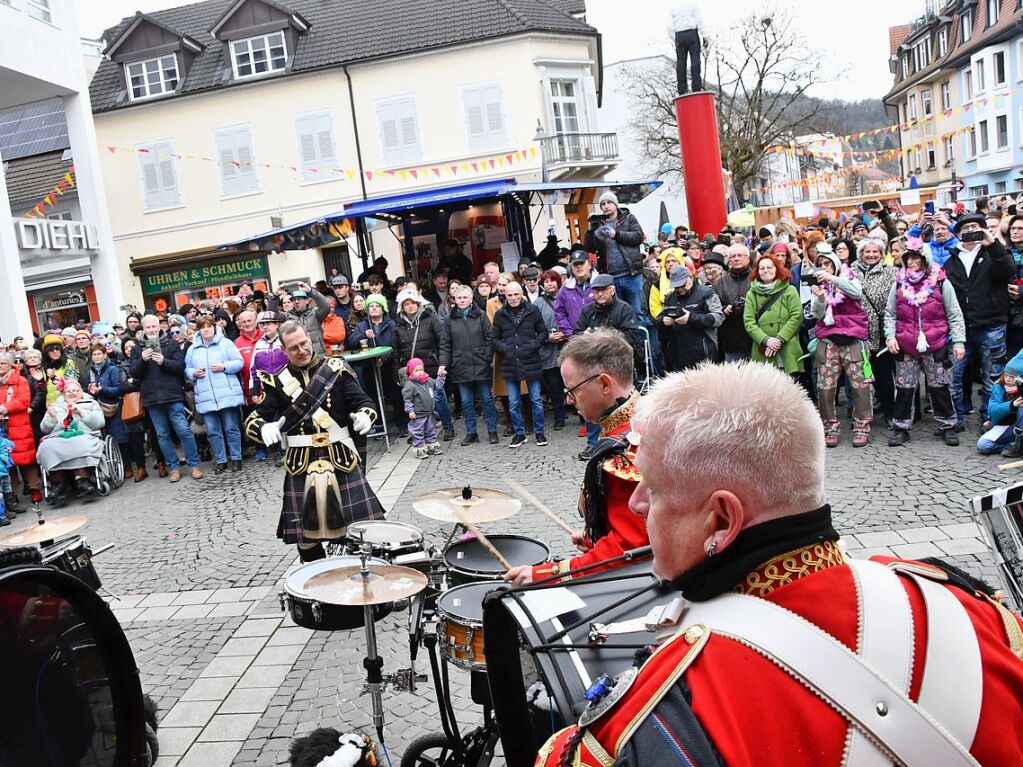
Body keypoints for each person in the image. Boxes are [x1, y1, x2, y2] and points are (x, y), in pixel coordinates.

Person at [536, 362, 1023, 767]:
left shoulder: (665, 710)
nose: (638, 503)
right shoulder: (974, 612)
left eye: (655, 489)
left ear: (722, 520)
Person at [504, 329, 647, 584]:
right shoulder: (641, 418)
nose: (569, 401)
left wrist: (545, 574)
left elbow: (629, 549)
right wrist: (598, 536)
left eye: (573, 390)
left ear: (604, 384)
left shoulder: (628, 451)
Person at [245, 322, 382, 562]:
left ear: (310, 339)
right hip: (302, 464)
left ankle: (362, 579)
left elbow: (366, 403)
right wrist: (262, 427)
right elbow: (253, 420)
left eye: (303, 344)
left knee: (364, 529)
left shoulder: (336, 370)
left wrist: (365, 416)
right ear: (284, 351)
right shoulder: (276, 382)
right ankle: (318, 584)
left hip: (340, 458)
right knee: (305, 538)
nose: (301, 350)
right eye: (294, 348)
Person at [885, 241, 964, 448]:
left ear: (925, 260)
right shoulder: (899, 284)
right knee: (904, 387)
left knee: (940, 386)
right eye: (908, 258)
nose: (911, 262)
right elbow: (890, 314)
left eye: (916, 258)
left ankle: (948, 425)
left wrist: (958, 341)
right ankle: (901, 427)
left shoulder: (940, 283)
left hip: (935, 341)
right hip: (906, 343)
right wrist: (890, 337)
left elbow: (954, 313)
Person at [945, 213, 1014, 429]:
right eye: (965, 228)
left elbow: (1009, 272)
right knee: (953, 375)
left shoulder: (993, 252)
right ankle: (955, 419)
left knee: (992, 377)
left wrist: (992, 244)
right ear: (957, 234)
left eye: (975, 226)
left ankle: (989, 418)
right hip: (960, 328)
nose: (970, 230)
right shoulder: (951, 259)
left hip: (991, 323)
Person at [811, 243, 873, 447]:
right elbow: (818, 315)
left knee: (861, 386)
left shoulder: (848, 277)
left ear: (836, 265)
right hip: (828, 341)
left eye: (827, 263)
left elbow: (856, 293)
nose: (824, 267)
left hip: (853, 340)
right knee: (825, 388)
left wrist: (834, 278)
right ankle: (830, 427)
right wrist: (820, 298)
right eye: (820, 264)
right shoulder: (819, 287)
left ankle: (862, 427)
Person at [130, 314, 203, 482]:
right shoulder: (137, 348)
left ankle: (193, 465)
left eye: (154, 326)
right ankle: (174, 468)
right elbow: (134, 372)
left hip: (172, 395)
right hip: (152, 398)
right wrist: (142, 360)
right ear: (144, 329)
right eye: (148, 327)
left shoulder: (171, 343)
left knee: (183, 430)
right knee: (162, 435)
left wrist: (164, 361)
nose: (151, 330)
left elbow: (180, 367)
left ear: (159, 326)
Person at [185, 316, 245, 474]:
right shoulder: (193, 349)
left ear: (214, 327)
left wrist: (224, 366)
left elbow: (239, 362)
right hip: (206, 396)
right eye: (202, 327)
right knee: (213, 431)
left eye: (208, 326)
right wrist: (193, 373)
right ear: (199, 330)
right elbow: (187, 369)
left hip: (227, 393)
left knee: (231, 428)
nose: (206, 329)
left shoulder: (225, 343)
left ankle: (236, 458)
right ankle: (221, 460)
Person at [440, 285, 499, 446]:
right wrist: (444, 363)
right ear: (455, 299)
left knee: (487, 399)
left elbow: (490, 337)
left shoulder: (480, 315)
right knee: (466, 402)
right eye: (459, 298)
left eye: (465, 297)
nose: (462, 300)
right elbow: (445, 344)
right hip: (460, 365)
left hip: (481, 364)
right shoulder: (449, 319)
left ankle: (492, 431)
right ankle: (471, 432)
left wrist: (486, 357)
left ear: (471, 299)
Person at [492, 282, 548, 448]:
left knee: (536, 399)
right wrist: (505, 348)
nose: (513, 298)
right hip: (510, 362)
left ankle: (539, 432)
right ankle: (519, 433)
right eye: (510, 295)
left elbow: (543, 332)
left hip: (531, 360)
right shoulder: (500, 315)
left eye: (516, 294)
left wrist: (532, 345)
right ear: (505, 296)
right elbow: (494, 338)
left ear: (521, 294)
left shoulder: (533, 310)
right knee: (514, 402)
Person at [393, 290, 455, 441]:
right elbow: (395, 350)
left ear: (418, 303)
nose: (410, 306)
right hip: (410, 370)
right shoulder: (398, 324)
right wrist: (396, 371)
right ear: (402, 306)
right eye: (406, 304)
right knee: (415, 401)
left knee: (438, 398)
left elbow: (443, 341)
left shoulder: (430, 318)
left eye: (413, 303)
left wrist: (443, 363)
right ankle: (417, 432)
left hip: (430, 365)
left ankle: (448, 427)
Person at [851, 237, 899, 427]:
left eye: (875, 252)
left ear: (881, 254)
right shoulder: (850, 272)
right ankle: (862, 417)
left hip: (880, 332)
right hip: (857, 332)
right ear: (860, 254)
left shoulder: (891, 272)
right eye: (866, 252)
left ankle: (890, 412)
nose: (871, 255)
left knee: (883, 376)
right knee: (858, 378)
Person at [37, 379, 105, 499]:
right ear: (63, 393)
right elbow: (44, 429)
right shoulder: (56, 406)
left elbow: (99, 423)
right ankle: (59, 483)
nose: (72, 393)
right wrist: (52, 418)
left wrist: (82, 412)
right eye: (68, 391)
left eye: (75, 390)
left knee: (79, 443)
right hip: (58, 436)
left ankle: (82, 479)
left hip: (84, 434)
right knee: (46, 447)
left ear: (81, 392)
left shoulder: (90, 403)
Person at [349, 294, 405, 436]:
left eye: (377, 306)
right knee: (373, 396)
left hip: (388, 366)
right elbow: (351, 341)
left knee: (395, 395)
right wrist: (363, 336)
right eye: (371, 306)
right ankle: (379, 425)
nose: (374, 309)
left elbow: (394, 345)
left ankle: (402, 425)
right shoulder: (363, 325)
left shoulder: (391, 324)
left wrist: (383, 359)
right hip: (370, 367)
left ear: (383, 309)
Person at [743, 252, 804, 377]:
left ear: (777, 269)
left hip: (787, 346)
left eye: (770, 267)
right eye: (762, 268)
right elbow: (749, 321)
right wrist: (766, 340)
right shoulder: (751, 294)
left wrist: (779, 339)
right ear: (757, 272)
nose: (766, 271)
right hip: (763, 350)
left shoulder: (789, 290)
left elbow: (796, 316)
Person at [655, 265, 724, 372]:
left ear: (690, 278)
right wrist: (663, 321)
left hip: (703, 354)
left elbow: (718, 317)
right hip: (677, 354)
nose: (680, 289)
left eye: (682, 285)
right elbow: (660, 317)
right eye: (676, 287)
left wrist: (691, 318)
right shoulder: (670, 297)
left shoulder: (706, 293)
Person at [593, 192, 647, 316]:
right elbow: (591, 247)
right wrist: (593, 234)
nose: (606, 206)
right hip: (611, 278)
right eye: (603, 204)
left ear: (615, 204)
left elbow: (638, 237)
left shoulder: (628, 218)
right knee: (617, 315)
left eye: (609, 203)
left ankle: (640, 335)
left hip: (631, 274)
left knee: (637, 312)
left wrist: (616, 234)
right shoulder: (599, 223)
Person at [84, 343, 131, 482]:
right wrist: (91, 392)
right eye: (94, 354)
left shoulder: (112, 369)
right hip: (99, 409)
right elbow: (90, 391)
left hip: (114, 407)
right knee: (104, 439)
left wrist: (102, 389)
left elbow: (119, 389)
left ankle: (127, 466)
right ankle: (112, 468)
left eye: (99, 353)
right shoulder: (90, 372)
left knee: (120, 438)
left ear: (105, 354)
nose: (97, 356)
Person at [0, 353, 40, 507]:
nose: (0, 366)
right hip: (3, 427)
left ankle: (34, 488)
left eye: (3, 363)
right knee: (7, 461)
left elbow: (24, 401)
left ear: (10, 365)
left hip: (19, 424)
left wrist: (4, 408)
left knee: (26, 458)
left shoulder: (20, 380)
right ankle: (12, 494)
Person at [535, 269, 568, 429]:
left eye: (552, 280)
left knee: (574, 384)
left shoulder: (567, 297)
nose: (549, 284)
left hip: (568, 348)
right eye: (546, 281)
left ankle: (583, 416)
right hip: (548, 352)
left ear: (558, 281)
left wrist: (566, 333)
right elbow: (534, 328)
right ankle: (559, 417)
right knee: (555, 387)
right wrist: (548, 337)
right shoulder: (538, 304)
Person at [714, 244, 755, 362]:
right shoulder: (721, 282)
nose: (736, 259)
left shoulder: (757, 278)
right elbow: (713, 307)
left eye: (740, 255)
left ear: (747, 258)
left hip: (755, 338)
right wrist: (724, 309)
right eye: (733, 256)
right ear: (728, 260)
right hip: (731, 340)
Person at [270, 281, 331, 355]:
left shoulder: (315, 313)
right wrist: (275, 295)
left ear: (307, 300)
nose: (296, 302)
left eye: (299, 299)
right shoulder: (287, 316)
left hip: (318, 355)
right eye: (294, 300)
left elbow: (326, 306)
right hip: (299, 356)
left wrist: (311, 292)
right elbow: (271, 314)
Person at [402, 358, 445, 459]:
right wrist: (410, 410)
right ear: (411, 372)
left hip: (429, 412)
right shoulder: (410, 386)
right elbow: (407, 399)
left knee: (430, 430)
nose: (420, 372)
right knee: (417, 432)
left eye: (421, 369)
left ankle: (431, 445)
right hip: (418, 414)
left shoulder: (428, 380)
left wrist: (441, 376)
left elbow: (438, 385)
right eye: (416, 370)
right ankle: (419, 448)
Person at [554, 250, 597, 336]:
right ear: (571, 268)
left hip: (599, 339)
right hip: (575, 341)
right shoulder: (565, 288)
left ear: (589, 265)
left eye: (581, 263)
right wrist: (571, 334)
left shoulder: (601, 284)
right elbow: (559, 314)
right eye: (575, 264)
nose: (579, 266)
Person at [670, 0, 704, 94]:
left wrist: (674, 39)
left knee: (681, 62)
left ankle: (682, 88)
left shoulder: (674, 5)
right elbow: (700, 20)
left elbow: (669, 25)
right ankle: (696, 86)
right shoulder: (693, 3)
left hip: (679, 34)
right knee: (695, 60)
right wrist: (704, 35)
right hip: (692, 32)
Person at [41, 334, 79, 405]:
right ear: (46, 352)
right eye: (51, 349)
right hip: (50, 405)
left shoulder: (69, 363)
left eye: (57, 348)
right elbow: (44, 388)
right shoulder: (45, 366)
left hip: (66, 404)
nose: (55, 351)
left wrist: (54, 378)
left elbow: (71, 386)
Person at [1005, 214, 1023, 358]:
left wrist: (1021, 291)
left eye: (1020, 228)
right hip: (1012, 315)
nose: (1015, 231)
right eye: (1013, 228)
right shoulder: (1006, 253)